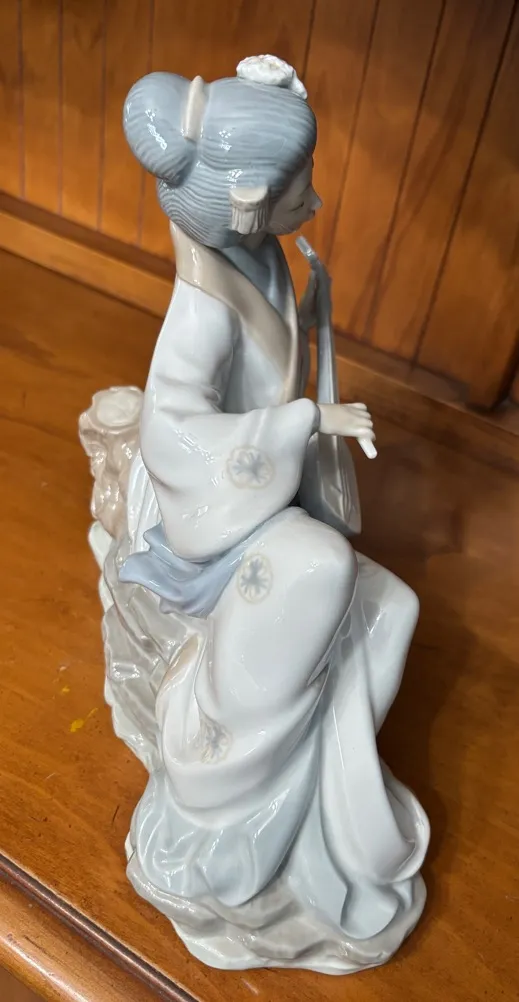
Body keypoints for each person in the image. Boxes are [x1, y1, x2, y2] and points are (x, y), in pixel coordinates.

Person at [82, 55, 429, 974]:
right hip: (212, 516)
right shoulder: (200, 311)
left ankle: (333, 801)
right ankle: (222, 786)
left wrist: (308, 325)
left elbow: (267, 372)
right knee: (321, 569)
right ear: (245, 206)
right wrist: (304, 420)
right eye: (297, 192)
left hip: (258, 493)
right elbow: (175, 434)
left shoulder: (259, 259)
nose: (313, 202)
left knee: (392, 610)